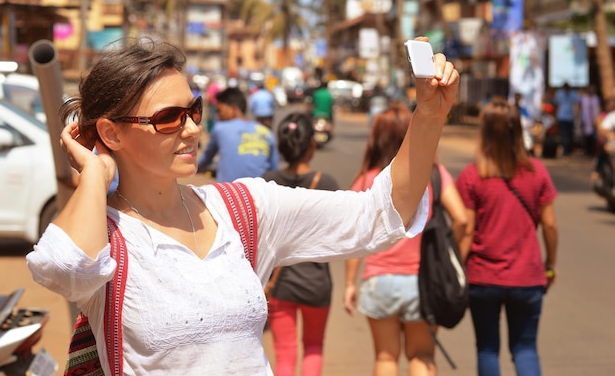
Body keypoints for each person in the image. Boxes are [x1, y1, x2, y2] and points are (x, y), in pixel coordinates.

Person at [25, 36, 459, 375]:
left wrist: (428, 117)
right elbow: (63, 267)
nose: (192, 129)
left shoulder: (243, 208)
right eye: (168, 117)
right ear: (112, 134)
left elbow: (380, 216)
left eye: (194, 110)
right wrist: (97, 178)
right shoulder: (108, 236)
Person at [343, 106, 467, 376]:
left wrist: (350, 283)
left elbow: (355, 237)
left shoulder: (367, 179)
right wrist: (447, 253)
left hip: (378, 281)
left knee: (386, 358)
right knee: (421, 355)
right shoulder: (432, 173)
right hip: (421, 281)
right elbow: (462, 219)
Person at [454, 99, 559, 376]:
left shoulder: (472, 176)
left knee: (487, 349)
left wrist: (457, 268)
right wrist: (551, 264)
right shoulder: (537, 173)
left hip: (482, 277)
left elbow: (465, 228)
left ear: (484, 132)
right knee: (525, 349)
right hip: (528, 277)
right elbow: (549, 226)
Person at [261, 112, 339, 376]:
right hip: (317, 284)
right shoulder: (327, 184)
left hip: (280, 285)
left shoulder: (267, 181)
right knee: (314, 347)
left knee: (284, 355)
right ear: (311, 146)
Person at [198, 86, 279, 182]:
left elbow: (206, 159)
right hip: (260, 193)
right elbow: (274, 169)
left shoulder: (220, 128)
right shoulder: (267, 133)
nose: (217, 115)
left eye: (219, 110)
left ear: (232, 109)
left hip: (228, 193)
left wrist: (196, 169)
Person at [553, 82, 579, 157]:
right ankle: (565, 151)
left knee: (570, 135)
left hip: (570, 117)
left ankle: (569, 150)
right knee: (563, 135)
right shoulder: (560, 95)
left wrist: (576, 114)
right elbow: (557, 105)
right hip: (562, 117)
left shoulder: (573, 95)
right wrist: (556, 116)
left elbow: (576, 105)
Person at [579, 86, 601, 157]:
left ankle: (593, 151)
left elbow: (598, 108)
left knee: (593, 136)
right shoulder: (584, 98)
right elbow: (580, 107)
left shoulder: (596, 98)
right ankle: (587, 151)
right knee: (586, 136)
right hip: (585, 119)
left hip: (594, 119)